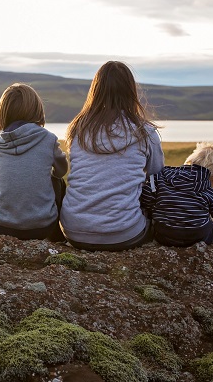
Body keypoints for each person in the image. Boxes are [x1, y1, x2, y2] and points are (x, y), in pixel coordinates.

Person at [60, 61, 164, 251]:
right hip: (125, 233)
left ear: (96, 91)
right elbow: (158, 177)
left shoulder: (78, 129)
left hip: (74, 231)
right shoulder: (145, 132)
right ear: (130, 91)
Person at [0, 83, 68, 241]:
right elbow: (61, 170)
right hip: (43, 227)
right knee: (57, 182)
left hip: (3, 227)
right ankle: (57, 237)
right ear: (36, 110)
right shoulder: (48, 139)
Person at [141, 141, 213, 250]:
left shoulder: (164, 176)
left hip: (163, 235)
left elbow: (146, 198)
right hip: (195, 237)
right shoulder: (207, 188)